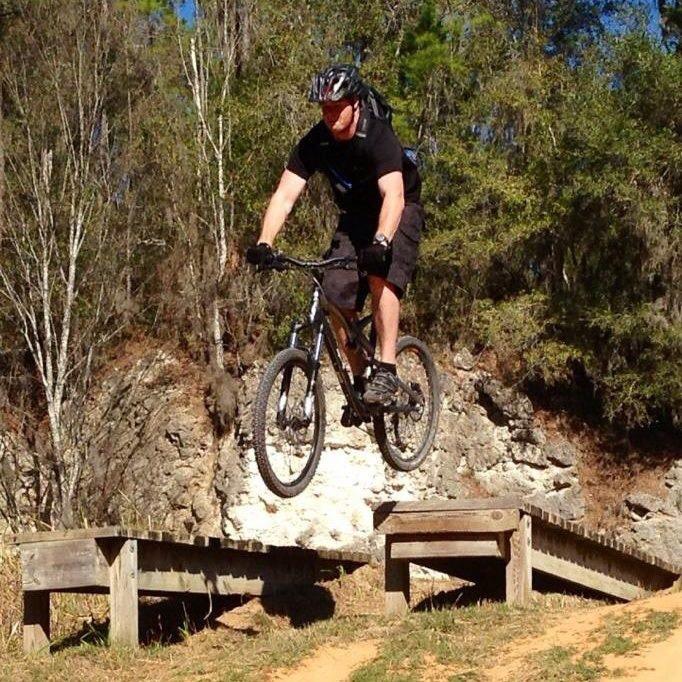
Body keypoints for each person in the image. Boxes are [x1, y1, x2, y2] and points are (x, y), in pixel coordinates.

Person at [247, 64, 424, 406]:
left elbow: (394, 196)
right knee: (334, 297)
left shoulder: (378, 135)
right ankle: (360, 381)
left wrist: (382, 241)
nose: (328, 115)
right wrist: (264, 243)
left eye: (335, 107)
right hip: (356, 215)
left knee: (380, 276)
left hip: (400, 208)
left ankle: (386, 369)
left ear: (355, 103)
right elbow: (285, 196)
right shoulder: (316, 142)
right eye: (323, 108)